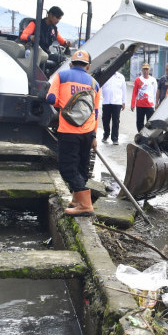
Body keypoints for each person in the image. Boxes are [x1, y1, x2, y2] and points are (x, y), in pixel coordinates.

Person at [46, 50, 100, 217]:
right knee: (82, 168)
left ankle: (85, 205)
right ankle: (77, 201)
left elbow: (51, 98)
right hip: (88, 131)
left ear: (71, 64)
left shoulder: (62, 76)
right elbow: (96, 112)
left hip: (68, 131)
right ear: (88, 67)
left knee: (67, 168)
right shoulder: (94, 83)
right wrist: (94, 136)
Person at [100, 71, 127, 145]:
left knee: (116, 121)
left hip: (117, 102)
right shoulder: (105, 75)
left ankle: (115, 138)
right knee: (105, 119)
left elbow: (124, 90)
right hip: (106, 101)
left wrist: (123, 102)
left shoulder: (120, 77)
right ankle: (106, 135)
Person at [131, 63, 157, 132]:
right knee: (139, 122)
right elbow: (134, 93)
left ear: (149, 70)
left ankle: (149, 136)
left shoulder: (153, 80)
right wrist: (133, 104)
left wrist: (156, 104)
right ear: (142, 70)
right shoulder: (138, 80)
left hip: (150, 105)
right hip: (140, 105)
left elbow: (155, 93)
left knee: (150, 122)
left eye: (147, 69)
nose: (145, 71)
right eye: (144, 69)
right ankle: (140, 135)